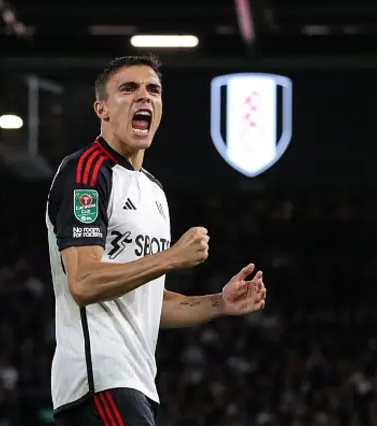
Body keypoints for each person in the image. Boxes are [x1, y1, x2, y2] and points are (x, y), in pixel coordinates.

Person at [45, 55, 267, 426]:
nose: (143, 97)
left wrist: (219, 303)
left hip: (138, 383)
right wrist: (170, 259)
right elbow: (83, 283)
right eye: (128, 89)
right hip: (98, 380)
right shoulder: (85, 172)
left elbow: (149, 303)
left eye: (153, 90)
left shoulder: (153, 191)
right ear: (101, 108)